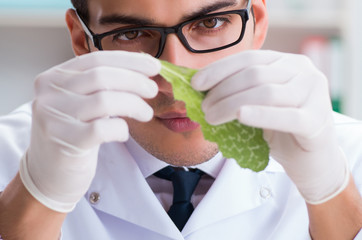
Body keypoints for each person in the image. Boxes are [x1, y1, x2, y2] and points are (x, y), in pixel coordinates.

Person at [0, 0, 361, 239]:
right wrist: (37, 195)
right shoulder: (9, 152)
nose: (174, 77)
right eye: (131, 33)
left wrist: (328, 190)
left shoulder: (349, 152)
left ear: (258, 23)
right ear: (82, 41)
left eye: (211, 22)